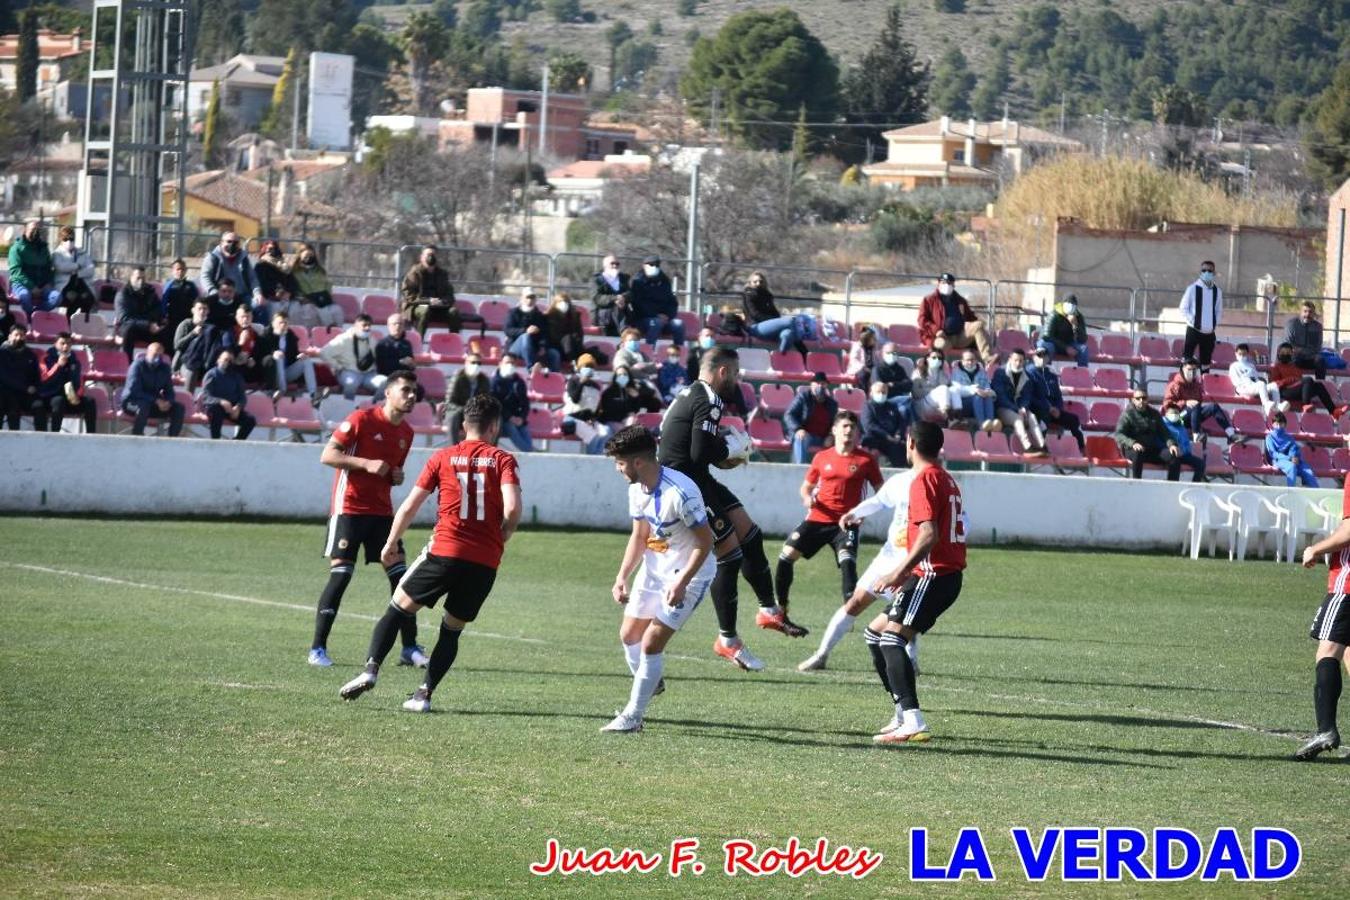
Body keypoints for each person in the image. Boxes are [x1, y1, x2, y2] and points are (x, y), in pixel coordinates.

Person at [339, 393, 521, 712]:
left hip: (445, 551)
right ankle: (423, 695)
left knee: (397, 608)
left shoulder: (442, 457)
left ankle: (370, 670)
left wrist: (391, 542)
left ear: (464, 425)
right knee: (451, 630)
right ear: (495, 427)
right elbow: (513, 508)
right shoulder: (504, 460)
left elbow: (410, 505)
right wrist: (501, 536)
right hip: (484, 561)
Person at [659, 346, 802, 672]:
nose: (736, 380)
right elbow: (698, 452)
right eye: (735, 374)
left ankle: (768, 609)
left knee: (750, 533)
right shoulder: (709, 398)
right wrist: (729, 448)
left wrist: (722, 451)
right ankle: (728, 640)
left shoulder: (688, 393)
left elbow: (694, 448)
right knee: (729, 553)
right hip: (685, 486)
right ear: (723, 371)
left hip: (695, 477)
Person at [601, 425, 716, 732]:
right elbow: (640, 535)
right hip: (654, 570)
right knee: (629, 636)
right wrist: (622, 576)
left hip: (689, 574)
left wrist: (681, 583)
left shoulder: (681, 493)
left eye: (620, 463)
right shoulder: (635, 489)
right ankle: (652, 682)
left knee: (651, 644)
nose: (618, 469)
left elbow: (705, 543)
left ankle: (633, 716)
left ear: (638, 462)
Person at [309, 370, 426, 669]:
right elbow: (328, 455)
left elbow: (391, 473)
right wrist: (365, 463)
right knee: (341, 575)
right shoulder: (361, 419)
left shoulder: (406, 433)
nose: (411, 396)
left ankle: (409, 648)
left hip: (382, 513)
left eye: (415, 392)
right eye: (406, 390)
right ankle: (317, 649)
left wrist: (396, 476)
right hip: (349, 509)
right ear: (388, 393)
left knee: (402, 578)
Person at [865, 421, 967, 744]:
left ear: (910, 443)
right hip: (933, 574)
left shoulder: (923, 481)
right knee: (874, 634)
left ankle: (913, 720)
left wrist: (898, 572)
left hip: (935, 574)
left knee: (892, 640)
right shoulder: (946, 479)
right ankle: (901, 713)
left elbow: (928, 534)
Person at [798, 466, 916, 674]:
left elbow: (961, 521)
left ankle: (911, 661)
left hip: (913, 559)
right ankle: (821, 655)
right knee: (854, 603)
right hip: (888, 556)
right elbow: (879, 501)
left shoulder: (939, 482)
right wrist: (854, 512)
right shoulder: (902, 480)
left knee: (902, 612)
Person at [776, 411, 883, 622]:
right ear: (834, 430)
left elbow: (882, 492)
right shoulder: (821, 457)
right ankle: (782, 609)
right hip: (817, 519)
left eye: (853, 428)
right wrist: (807, 499)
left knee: (848, 564)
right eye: (844, 427)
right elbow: (806, 488)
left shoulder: (866, 460)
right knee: (786, 556)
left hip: (846, 524)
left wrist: (864, 512)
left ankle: (847, 618)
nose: (849, 431)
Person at [1295, 483, 1350, 760]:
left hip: (1347, 585)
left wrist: (1316, 549)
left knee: (1328, 652)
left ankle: (1326, 729)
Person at [1161, 357, 1244, 446]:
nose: (1192, 372)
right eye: (1189, 369)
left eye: (1194, 370)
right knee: (1194, 405)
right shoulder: (1174, 386)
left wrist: (1193, 406)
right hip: (1178, 418)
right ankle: (1196, 436)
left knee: (1213, 407)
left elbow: (1199, 402)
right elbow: (1167, 405)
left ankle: (1231, 435)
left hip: (1192, 417)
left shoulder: (1196, 385)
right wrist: (1185, 403)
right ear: (1183, 369)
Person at [916, 272, 996, 365]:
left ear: (954, 285)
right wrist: (937, 330)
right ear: (938, 283)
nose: (947, 285)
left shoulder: (960, 300)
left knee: (978, 325)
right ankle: (942, 368)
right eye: (944, 282)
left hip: (960, 336)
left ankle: (987, 358)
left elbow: (971, 318)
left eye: (949, 283)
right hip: (941, 337)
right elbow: (922, 320)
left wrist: (973, 326)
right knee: (941, 346)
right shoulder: (929, 300)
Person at [1113, 390, 1181, 480]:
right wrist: (1133, 443)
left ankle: (1172, 486)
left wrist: (1172, 444)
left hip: (1151, 449)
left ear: (1147, 399)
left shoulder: (1155, 414)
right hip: (1132, 450)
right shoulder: (1127, 414)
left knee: (1173, 455)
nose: (1141, 400)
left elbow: (1165, 433)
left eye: (1144, 398)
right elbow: (1119, 434)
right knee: (1138, 453)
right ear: (1133, 400)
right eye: (1138, 398)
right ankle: (1136, 484)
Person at [991, 348, 1048, 455]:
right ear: (1010, 359)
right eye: (1016, 360)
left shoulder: (1027, 376)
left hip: (1019, 409)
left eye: (1021, 361)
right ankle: (1027, 447)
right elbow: (1001, 396)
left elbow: (1026, 396)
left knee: (1032, 417)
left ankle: (1042, 445)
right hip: (1003, 409)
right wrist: (1017, 409)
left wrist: (1023, 407)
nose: (1018, 363)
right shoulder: (1000, 373)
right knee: (1018, 419)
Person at [121, 342, 184, 436]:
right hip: (131, 403)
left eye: (160, 355)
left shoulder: (165, 368)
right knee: (143, 407)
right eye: (155, 354)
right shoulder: (137, 366)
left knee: (179, 408)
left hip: (153, 404)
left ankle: (172, 440)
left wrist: (168, 402)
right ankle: (137, 437)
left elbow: (169, 390)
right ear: (147, 353)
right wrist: (156, 400)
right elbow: (134, 391)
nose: (157, 358)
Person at [1029, 348, 1086, 452]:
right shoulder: (1029, 374)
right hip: (1037, 409)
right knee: (1043, 419)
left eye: (1044, 356)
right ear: (1034, 357)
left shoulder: (1051, 375)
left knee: (1073, 420)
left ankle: (1081, 449)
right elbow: (1030, 397)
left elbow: (1058, 396)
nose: (1042, 359)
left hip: (1053, 410)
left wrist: (1058, 409)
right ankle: (1040, 448)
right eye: (1039, 356)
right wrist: (1048, 407)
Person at [742, 270, 808, 360]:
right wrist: (773, 321)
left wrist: (774, 321)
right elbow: (755, 314)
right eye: (755, 281)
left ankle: (780, 358)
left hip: (770, 329)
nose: (758, 283)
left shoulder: (767, 295)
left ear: (764, 283)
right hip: (755, 328)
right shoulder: (748, 295)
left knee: (788, 334)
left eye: (761, 281)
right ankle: (804, 353)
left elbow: (776, 314)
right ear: (750, 283)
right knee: (790, 320)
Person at [39, 331, 96, 433]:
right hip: (50, 397)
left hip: (70, 398)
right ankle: (54, 436)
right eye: (62, 343)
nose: (65, 346)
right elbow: (44, 380)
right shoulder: (46, 358)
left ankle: (91, 436)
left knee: (90, 402)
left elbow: (78, 382)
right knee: (59, 401)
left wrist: (77, 394)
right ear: (55, 344)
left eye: (69, 344)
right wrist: (58, 366)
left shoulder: (75, 361)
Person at [174, 298, 234, 392]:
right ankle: (189, 399)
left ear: (208, 311)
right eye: (199, 308)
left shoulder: (210, 328)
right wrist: (193, 334)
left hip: (204, 363)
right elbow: (177, 346)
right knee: (193, 369)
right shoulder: (186, 324)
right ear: (193, 310)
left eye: (205, 309)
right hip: (184, 364)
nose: (202, 311)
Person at [200, 231, 264, 317]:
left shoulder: (244, 258)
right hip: (219, 295)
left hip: (241, 296)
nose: (232, 244)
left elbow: (252, 278)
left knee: (258, 306)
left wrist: (257, 293)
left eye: (235, 242)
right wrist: (213, 291)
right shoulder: (213, 257)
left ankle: (258, 329)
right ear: (221, 242)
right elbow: (205, 276)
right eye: (229, 241)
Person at [400, 245, 460, 337]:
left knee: (453, 312)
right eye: (428, 254)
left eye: (434, 255)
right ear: (421, 257)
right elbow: (409, 296)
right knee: (425, 310)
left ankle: (454, 342)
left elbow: (450, 295)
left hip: (438, 308)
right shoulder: (414, 273)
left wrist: (442, 301)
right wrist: (428, 301)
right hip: (418, 307)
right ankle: (418, 342)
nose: (431, 257)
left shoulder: (442, 274)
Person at [1269, 342, 1342, 417]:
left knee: (1318, 386)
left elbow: (1299, 377)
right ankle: (1306, 405)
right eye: (1283, 352)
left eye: (1288, 352)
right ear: (1278, 353)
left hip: (1297, 389)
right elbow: (1274, 385)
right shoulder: (1275, 366)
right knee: (1308, 379)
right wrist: (1289, 380)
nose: (1286, 354)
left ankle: (1334, 411)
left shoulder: (1294, 365)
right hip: (1285, 391)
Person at [259, 310, 319, 400]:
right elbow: (260, 355)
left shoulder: (290, 335)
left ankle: (313, 394)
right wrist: (273, 354)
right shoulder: (266, 335)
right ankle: (281, 390)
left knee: (306, 360)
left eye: (285, 323)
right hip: (272, 374)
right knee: (279, 356)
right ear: (273, 323)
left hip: (287, 372)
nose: (283, 325)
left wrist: (299, 356)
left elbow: (294, 355)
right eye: (280, 323)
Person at [200, 349, 256, 441]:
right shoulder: (211, 374)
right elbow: (206, 396)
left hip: (232, 409)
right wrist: (221, 402)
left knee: (250, 420)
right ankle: (216, 442)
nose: (228, 362)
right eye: (226, 359)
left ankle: (236, 442)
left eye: (231, 360)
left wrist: (238, 407)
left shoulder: (237, 376)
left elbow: (242, 396)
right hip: (215, 407)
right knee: (216, 413)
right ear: (218, 360)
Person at [321, 314, 381, 400]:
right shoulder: (344, 339)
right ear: (355, 326)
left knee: (385, 383)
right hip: (349, 372)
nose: (367, 328)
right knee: (351, 383)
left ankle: (374, 407)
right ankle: (348, 407)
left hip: (368, 374)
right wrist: (338, 366)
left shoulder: (371, 339)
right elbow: (324, 352)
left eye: (369, 325)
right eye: (364, 325)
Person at [630, 255, 685, 348]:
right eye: (651, 264)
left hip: (664, 319)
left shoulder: (664, 281)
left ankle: (678, 353)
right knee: (655, 323)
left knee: (679, 324)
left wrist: (668, 315)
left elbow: (672, 302)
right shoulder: (637, 281)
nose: (654, 267)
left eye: (657, 265)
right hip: (644, 320)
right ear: (644, 265)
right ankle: (650, 352)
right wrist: (656, 315)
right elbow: (637, 304)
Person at [114, 266, 167, 363]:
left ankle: (166, 367)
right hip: (130, 329)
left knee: (168, 332)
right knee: (128, 330)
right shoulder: (122, 294)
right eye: (138, 278)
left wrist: (155, 324)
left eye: (143, 278)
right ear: (131, 278)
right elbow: (125, 318)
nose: (141, 281)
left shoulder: (150, 292)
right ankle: (126, 364)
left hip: (149, 327)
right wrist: (147, 324)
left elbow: (157, 311)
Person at [0, 323, 47, 430]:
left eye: (22, 335)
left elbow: (36, 376)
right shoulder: (2, 353)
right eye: (16, 335)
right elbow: (5, 376)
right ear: (9, 336)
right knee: (12, 406)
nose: (19, 338)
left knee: (39, 406)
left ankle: (43, 440)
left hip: (26, 394)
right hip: (6, 392)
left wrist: (36, 387)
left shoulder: (30, 354)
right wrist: (26, 387)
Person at [784, 372, 838, 463]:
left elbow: (835, 422)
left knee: (842, 439)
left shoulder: (832, 403)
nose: (820, 386)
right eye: (817, 383)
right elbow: (789, 415)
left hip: (823, 437)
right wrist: (798, 429)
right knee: (801, 438)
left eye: (823, 384)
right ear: (811, 384)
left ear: (826, 386)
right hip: (806, 434)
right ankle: (799, 469)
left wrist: (831, 435)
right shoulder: (803, 397)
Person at [287, 242, 344, 329]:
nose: (309, 258)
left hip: (318, 299)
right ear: (300, 255)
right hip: (300, 299)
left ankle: (333, 331)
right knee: (294, 309)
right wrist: (301, 298)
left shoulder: (320, 271)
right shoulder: (293, 271)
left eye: (311, 255)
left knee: (336, 310)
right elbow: (291, 288)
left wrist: (321, 298)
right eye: (306, 255)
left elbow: (327, 287)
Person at [562, 353, 610, 453]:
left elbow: (596, 407)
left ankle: (596, 458)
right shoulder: (573, 381)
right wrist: (581, 383)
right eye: (586, 366)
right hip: (573, 418)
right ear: (580, 367)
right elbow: (575, 399)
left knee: (607, 433)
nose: (589, 368)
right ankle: (593, 460)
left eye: (591, 366)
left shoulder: (596, 386)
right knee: (594, 437)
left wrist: (593, 419)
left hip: (588, 420)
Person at [1180, 260, 1222, 372]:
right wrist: (1194, 322)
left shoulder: (1217, 291)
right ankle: (1184, 386)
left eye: (1209, 270)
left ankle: (1204, 387)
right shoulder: (1192, 288)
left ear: (1214, 272)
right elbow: (1183, 308)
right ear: (1200, 272)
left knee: (1206, 364)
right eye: (1204, 270)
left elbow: (1218, 310)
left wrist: (1213, 325)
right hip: (1193, 330)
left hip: (1209, 333)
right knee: (1187, 361)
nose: (1206, 272)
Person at [504, 287, 559, 373]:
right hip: (515, 348)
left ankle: (555, 379)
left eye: (532, 297)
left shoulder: (539, 315)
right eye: (527, 297)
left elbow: (544, 333)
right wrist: (526, 331)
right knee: (526, 337)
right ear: (522, 298)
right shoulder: (513, 313)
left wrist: (543, 346)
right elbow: (508, 330)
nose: (530, 300)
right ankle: (531, 368)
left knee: (554, 354)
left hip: (534, 347)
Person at [7, 220, 55, 315]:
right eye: (33, 229)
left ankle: (36, 315)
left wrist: (49, 283)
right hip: (21, 284)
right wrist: (32, 287)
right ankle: (30, 319)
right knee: (24, 296)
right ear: (25, 230)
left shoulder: (44, 248)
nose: (35, 232)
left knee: (56, 297)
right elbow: (16, 271)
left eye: (38, 230)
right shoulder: (16, 248)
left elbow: (49, 268)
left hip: (42, 285)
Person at [49, 225, 97, 319]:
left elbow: (91, 269)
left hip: (81, 283)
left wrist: (78, 273)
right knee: (73, 298)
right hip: (65, 286)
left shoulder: (81, 252)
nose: (69, 242)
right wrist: (78, 266)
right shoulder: (57, 253)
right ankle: (68, 323)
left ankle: (83, 322)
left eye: (71, 239)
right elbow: (60, 267)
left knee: (88, 298)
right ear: (61, 240)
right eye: (65, 239)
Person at [597, 364, 661, 432]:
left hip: (631, 421)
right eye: (619, 375)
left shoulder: (634, 389)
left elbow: (646, 407)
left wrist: (637, 397)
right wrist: (627, 413)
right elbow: (609, 411)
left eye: (625, 374)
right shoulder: (609, 392)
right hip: (613, 421)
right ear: (615, 377)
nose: (622, 377)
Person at [443, 352, 491, 442]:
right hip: (458, 411)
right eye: (473, 362)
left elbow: (486, 400)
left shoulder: (484, 380)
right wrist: (465, 409)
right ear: (466, 363)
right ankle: (454, 449)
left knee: (494, 418)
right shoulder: (458, 377)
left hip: (475, 413)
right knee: (453, 416)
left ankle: (487, 451)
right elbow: (449, 401)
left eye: (479, 363)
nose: (476, 365)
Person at [491, 355, 533, 452]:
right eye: (507, 362)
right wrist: (510, 417)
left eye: (512, 363)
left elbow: (525, 403)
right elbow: (495, 404)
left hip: (518, 418)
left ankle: (531, 453)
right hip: (501, 420)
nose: (510, 365)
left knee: (525, 431)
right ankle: (532, 453)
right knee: (511, 428)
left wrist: (522, 418)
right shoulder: (493, 383)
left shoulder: (519, 382)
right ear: (500, 364)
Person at [1229, 343, 1284, 417]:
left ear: (1247, 354)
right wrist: (1247, 381)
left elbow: (1256, 378)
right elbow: (1235, 381)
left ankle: (1277, 407)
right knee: (1261, 384)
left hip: (1254, 387)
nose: (1242, 356)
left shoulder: (1251, 365)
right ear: (1236, 354)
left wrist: (1256, 383)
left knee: (1274, 385)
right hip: (1242, 389)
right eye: (1240, 354)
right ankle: (1266, 404)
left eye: (1244, 354)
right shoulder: (1234, 366)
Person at [949, 348, 998, 433]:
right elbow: (957, 390)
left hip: (980, 402)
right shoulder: (956, 372)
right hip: (963, 404)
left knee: (988, 397)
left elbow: (987, 386)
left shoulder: (982, 372)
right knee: (977, 397)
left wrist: (987, 392)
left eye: (972, 360)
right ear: (962, 361)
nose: (970, 362)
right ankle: (982, 425)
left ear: (976, 360)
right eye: (967, 360)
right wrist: (975, 390)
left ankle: (990, 424)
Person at [861, 380, 907, 467]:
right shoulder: (868, 406)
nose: (881, 394)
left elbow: (901, 422)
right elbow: (869, 425)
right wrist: (886, 435)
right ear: (871, 393)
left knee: (902, 447)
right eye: (878, 392)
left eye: (883, 392)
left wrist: (898, 434)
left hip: (892, 438)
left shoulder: (892, 406)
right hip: (876, 438)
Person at [1266, 412, 1319, 488]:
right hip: (1279, 461)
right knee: (1292, 467)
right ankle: (1290, 493)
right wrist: (1289, 459)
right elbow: (1273, 454)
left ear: (1285, 425)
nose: (1278, 427)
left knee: (1308, 471)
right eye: (1276, 424)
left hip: (1293, 460)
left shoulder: (1289, 437)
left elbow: (1293, 449)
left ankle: (1316, 494)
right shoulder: (1269, 437)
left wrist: (1294, 458)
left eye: (1281, 424)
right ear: (1273, 424)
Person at [1036, 294, 1090, 366]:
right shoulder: (1054, 314)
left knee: (1083, 349)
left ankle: (1082, 373)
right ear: (1063, 304)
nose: (1071, 306)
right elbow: (1047, 336)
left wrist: (1075, 325)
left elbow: (1083, 339)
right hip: (1052, 343)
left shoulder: (1078, 316)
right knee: (1048, 347)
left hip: (1068, 343)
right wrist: (1066, 348)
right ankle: (1046, 370)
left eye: (1073, 305)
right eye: (1068, 303)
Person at [1159, 405, 1207, 482]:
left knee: (1200, 463)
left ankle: (1194, 486)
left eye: (1176, 413)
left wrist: (1183, 451)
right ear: (1166, 414)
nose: (1174, 415)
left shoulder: (1181, 427)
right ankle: (1172, 486)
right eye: (1172, 413)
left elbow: (1186, 444)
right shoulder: (1161, 425)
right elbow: (1161, 441)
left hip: (1183, 454)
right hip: (1169, 453)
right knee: (1175, 462)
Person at [374, 313, 417, 395]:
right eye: (394, 324)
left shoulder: (407, 344)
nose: (397, 326)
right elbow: (381, 367)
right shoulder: (382, 344)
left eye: (400, 324)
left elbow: (412, 365)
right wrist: (400, 362)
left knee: (419, 390)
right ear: (388, 326)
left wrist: (412, 364)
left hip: (405, 379)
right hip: (389, 379)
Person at [253, 239, 297, 318]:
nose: (271, 251)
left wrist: (289, 292)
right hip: (270, 297)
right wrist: (275, 292)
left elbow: (292, 282)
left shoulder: (284, 266)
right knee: (275, 308)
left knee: (296, 307)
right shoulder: (260, 265)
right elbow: (261, 283)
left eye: (273, 248)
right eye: (269, 249)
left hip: (285, 297)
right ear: (264, 250)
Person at [871, 341, 914, 421]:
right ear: (883, 354)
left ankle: (913, 430)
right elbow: (880, 388)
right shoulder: (877, 370)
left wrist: (893, 384)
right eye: (889, 353)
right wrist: (900, 386)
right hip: (885, 401)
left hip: (899, 400)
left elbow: (909, 385)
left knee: (906, 408)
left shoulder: (899, 369)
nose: (891, 355)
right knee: (908, 402)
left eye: (894, 353)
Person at [1285, 301, 1328, 379]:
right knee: (1294, 360)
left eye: (1310, 312)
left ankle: (1319, 387)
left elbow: (1317, 347)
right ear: (1301, 312)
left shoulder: (1317, 326)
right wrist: (1300, 351)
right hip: (1296, 357)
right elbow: (1289, 345)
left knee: (1320, 361)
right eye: (1305, 311)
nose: (1307, 314)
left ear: (1314, 313)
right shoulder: (1292, 324)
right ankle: (1295, 386)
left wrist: (1302, 350)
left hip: (1311, 357)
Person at [591, 254, 631, 336]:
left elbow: (630, 293)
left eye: (617, 264)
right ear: (605, 265)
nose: (615, 266)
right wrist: (615, 298)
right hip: (603, 313)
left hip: (622, 311)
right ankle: (624, 334)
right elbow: (597, 298)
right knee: (616, 309)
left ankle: (625, 334)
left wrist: (623, 298)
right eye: (612, 263)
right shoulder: (597, 280)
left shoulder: (624, 278)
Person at [911, 351, 954, 424]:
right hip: (922, 404)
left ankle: (952, 418)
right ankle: (949, 417)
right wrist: (932, 391)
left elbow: (948, 388)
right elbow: (916, 394)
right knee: (943, 389)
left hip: (937, 404)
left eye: (939, 358)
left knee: (952, 392)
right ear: (927, 359)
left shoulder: (941, 373)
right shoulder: (918, 373)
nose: (937, 360)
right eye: (934, 357)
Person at [161, 258, 201, 337]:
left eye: (182, 269)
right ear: (173, 271)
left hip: (187, 317)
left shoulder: (191, 285)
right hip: (173, 318)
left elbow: (197, 301)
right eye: (178, 269)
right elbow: (164, 302)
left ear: (186, 270)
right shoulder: (169, 285)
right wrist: (164, 316)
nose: (180, 271)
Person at [545, 292, 585, 368]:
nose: (563, 304)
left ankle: (575, 364)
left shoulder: (575, 317)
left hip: (573, 347)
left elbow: (580, 334)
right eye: (560, 302)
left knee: (571, 340)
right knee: (567, 339)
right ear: (555, 303)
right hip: (556, 347)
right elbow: (551, 335)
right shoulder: (548, 316)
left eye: (566, 302)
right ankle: (574, 364)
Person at [847, 326, 881, 391]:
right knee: (864, 375)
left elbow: (876, 359)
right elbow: (853, 360)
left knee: (879, 373)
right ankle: (862, 393)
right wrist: (864, 367)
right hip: (859, 369)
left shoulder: (873, 348)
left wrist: (878, 366)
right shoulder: (857, 346)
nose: (875, 340)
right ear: (866, 339)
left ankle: (876, 393)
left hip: (871, 368)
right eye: (873, 338)